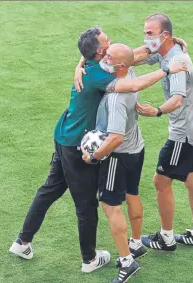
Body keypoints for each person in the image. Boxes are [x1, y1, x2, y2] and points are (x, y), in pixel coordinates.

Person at [8, 27, 187, 273]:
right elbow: (133, 85)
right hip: (76, 147)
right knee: (86, 206)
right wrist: (167, 69)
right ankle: (89, 259)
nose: (111, 43)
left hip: (63, 135)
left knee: (50, 189)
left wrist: (163, 44)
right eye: (107, 42)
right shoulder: (99, 75)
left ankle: (22, 241)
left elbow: (127, 57)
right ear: (102, 53)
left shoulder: (93, 66)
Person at [135, 13, 193, 251]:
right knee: (192, 180)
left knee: (161, 181)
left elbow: (177, 100)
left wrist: (156, 111)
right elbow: (132, 58)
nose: (146, 38)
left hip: (184, 133)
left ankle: (165, 238)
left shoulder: (176, 62)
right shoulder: (167, 51)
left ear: (164, 35)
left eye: (150, 33)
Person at [82, 43, 151, 283]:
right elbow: (138, 54)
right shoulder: (129, 71)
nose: (104, 56)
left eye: (109, 56)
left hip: (118, 156)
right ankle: (136, 243)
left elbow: (115, 138)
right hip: (137, 148)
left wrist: (94, 155)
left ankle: (126, 260)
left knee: (111, 205)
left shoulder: (116, 99)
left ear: (120, 66)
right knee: (132, 193)